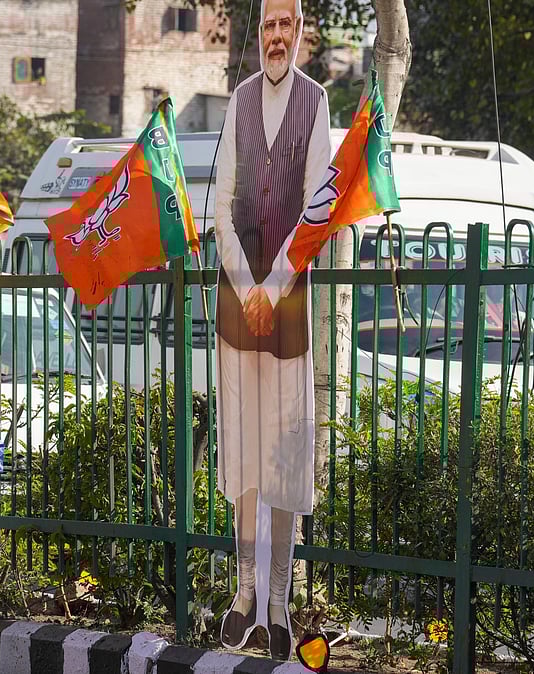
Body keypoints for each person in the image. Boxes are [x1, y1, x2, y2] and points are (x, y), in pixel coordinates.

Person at [212, 0, 331, 660]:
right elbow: (223, 206)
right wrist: (244, 284)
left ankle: (280, 603)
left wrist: (275, 287)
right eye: (267, 27)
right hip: (239, 301)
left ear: (302, 32)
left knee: (284, 458)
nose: (276, 38)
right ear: (258, 35)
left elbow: (317, 206)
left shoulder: (316, 104)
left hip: (287, 307)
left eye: (286, 26)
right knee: (245, 451)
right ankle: (244, 594)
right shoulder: (237, 101)